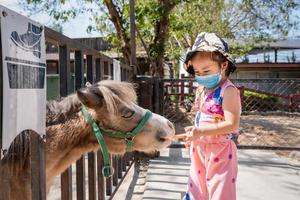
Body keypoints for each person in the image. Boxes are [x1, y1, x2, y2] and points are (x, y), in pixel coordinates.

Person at [181, 32, 241, 200]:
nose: (202, 76)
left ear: (223, 65)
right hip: (199, 147)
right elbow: (200, 116)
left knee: (220, 191)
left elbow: (232, 124)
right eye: (197, 72)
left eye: (206, 70)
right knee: (196, 189)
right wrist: (193, 134)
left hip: (220, 151)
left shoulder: (228, 91)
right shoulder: (201, 89)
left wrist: (201, 131)